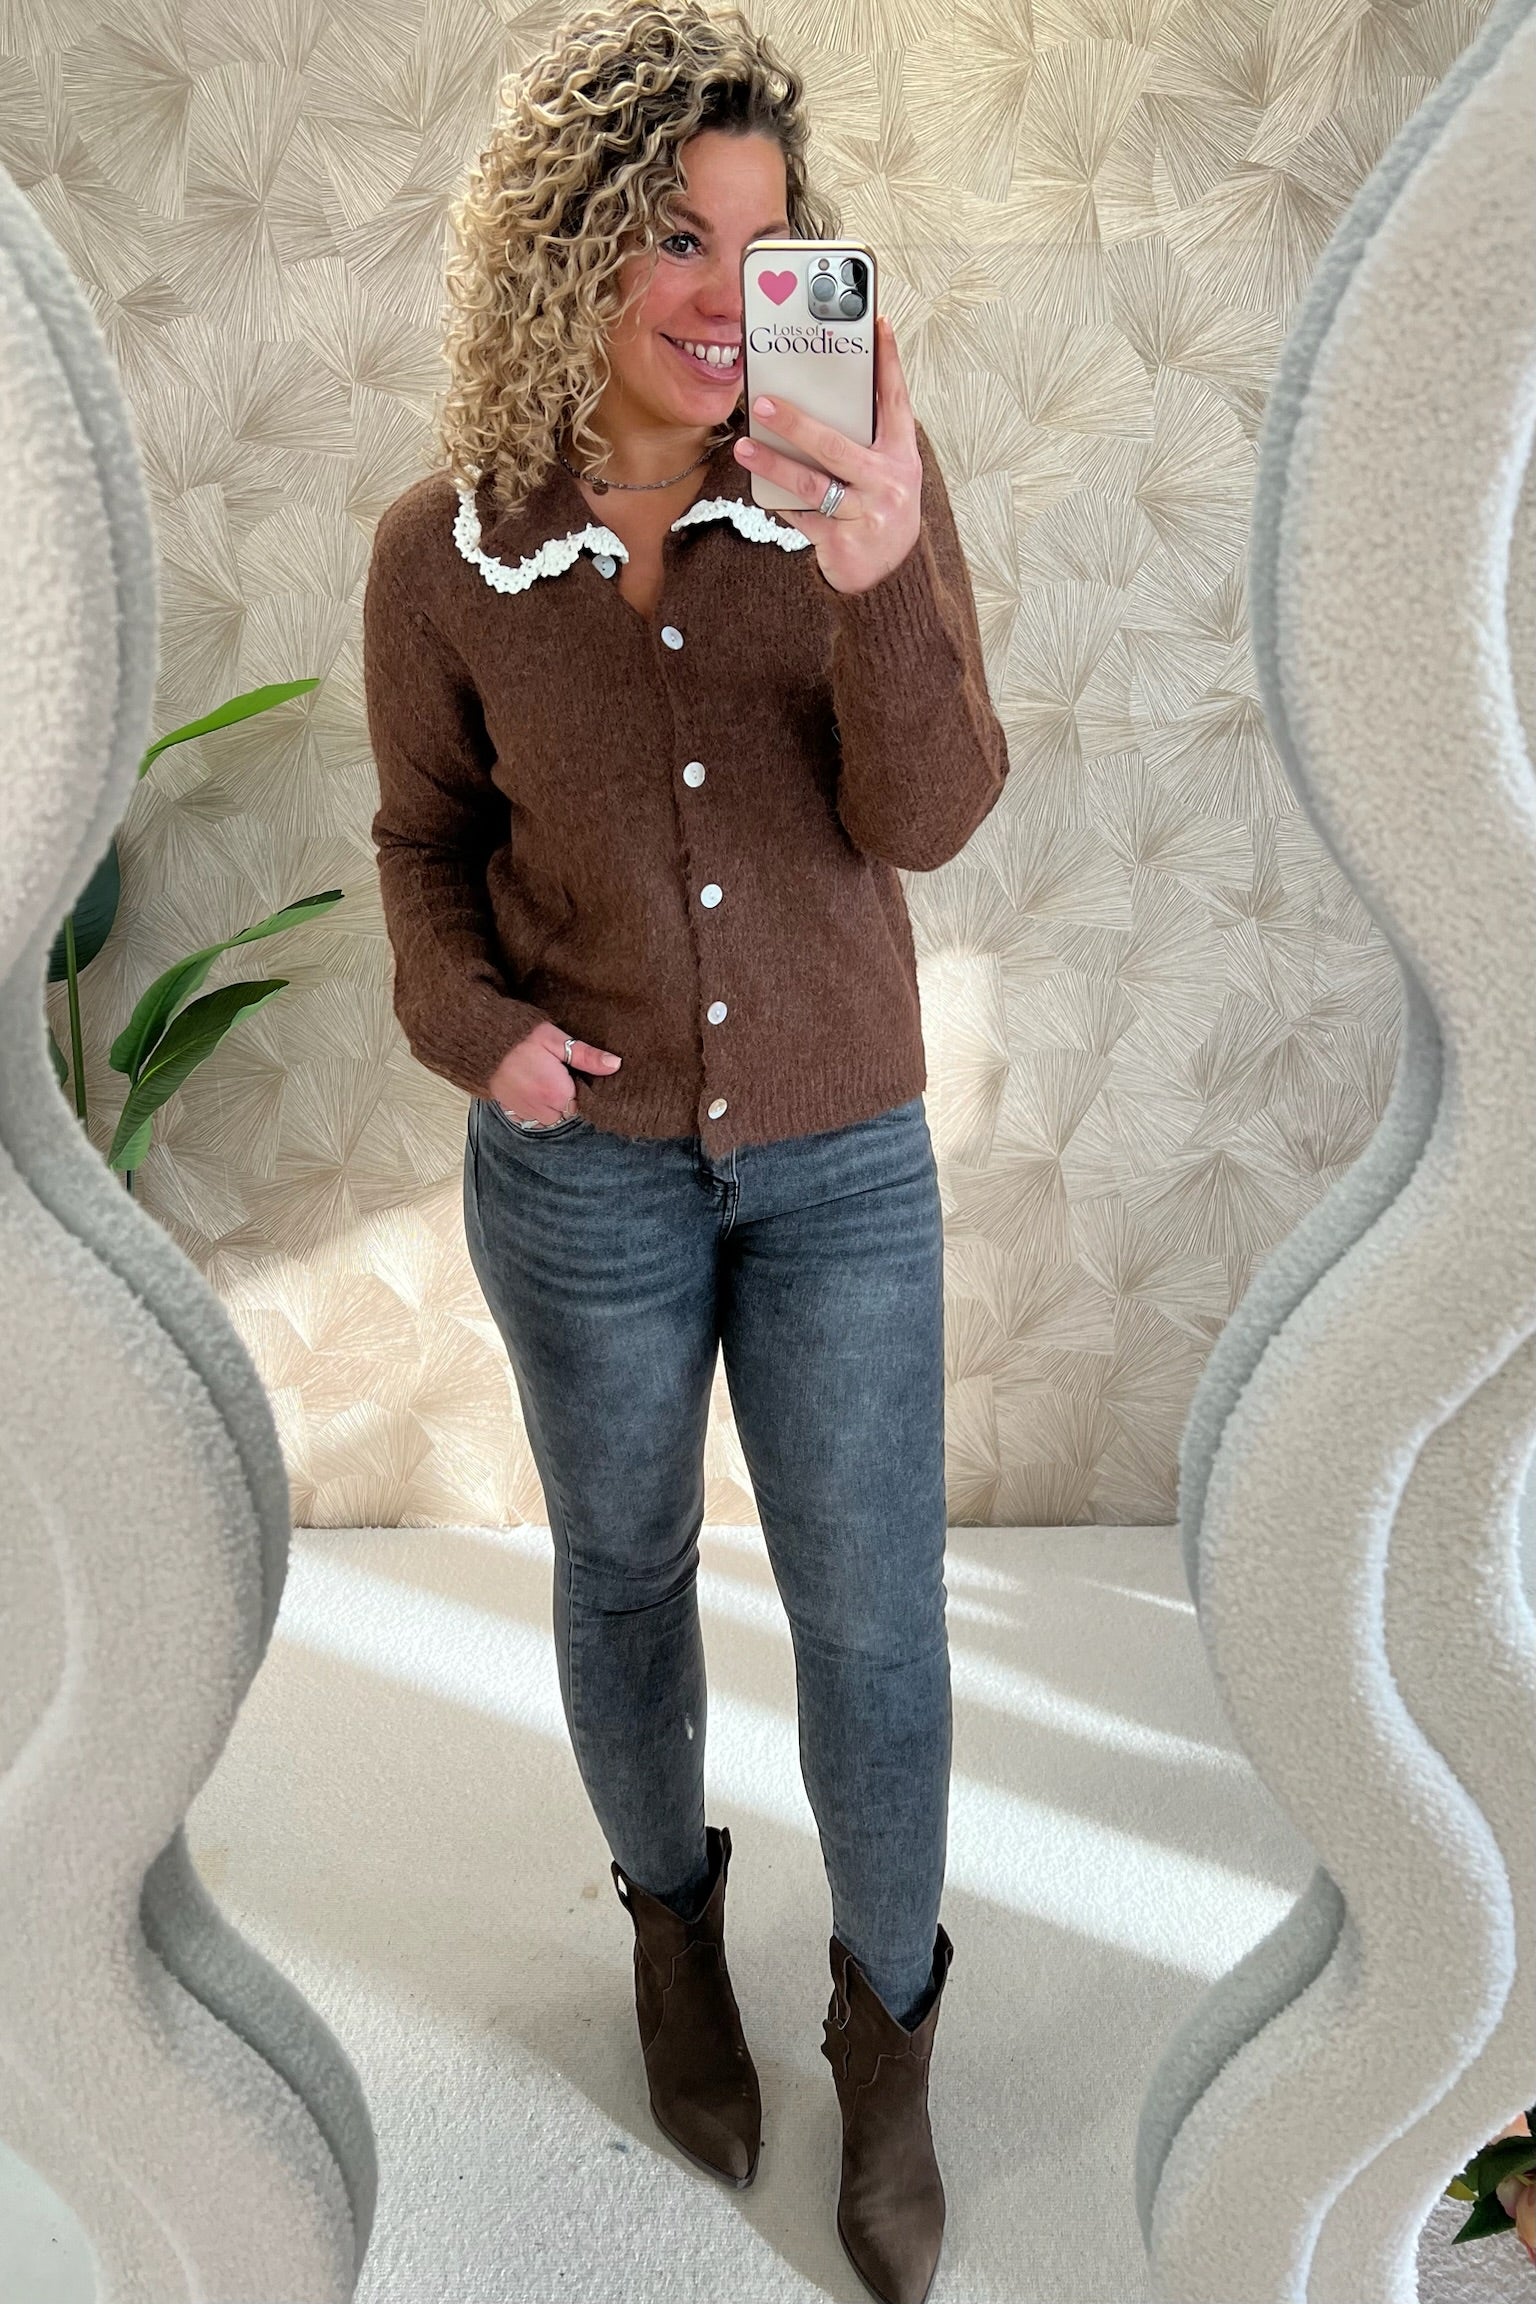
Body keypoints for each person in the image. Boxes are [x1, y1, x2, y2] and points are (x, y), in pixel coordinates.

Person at [361, 5, 1009, 2298]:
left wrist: (882, 574)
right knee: (623, 1572)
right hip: (585, 1179)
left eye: (767, 242)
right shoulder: (444, 553)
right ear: (564, 245)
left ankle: (890, 2040)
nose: (731, 293)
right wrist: (482, 1036)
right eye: (673, 233)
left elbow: (930, 813)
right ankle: (671, 1941)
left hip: (843, 1172)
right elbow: (423, 847)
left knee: (878, 1621)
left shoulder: (856, 494)